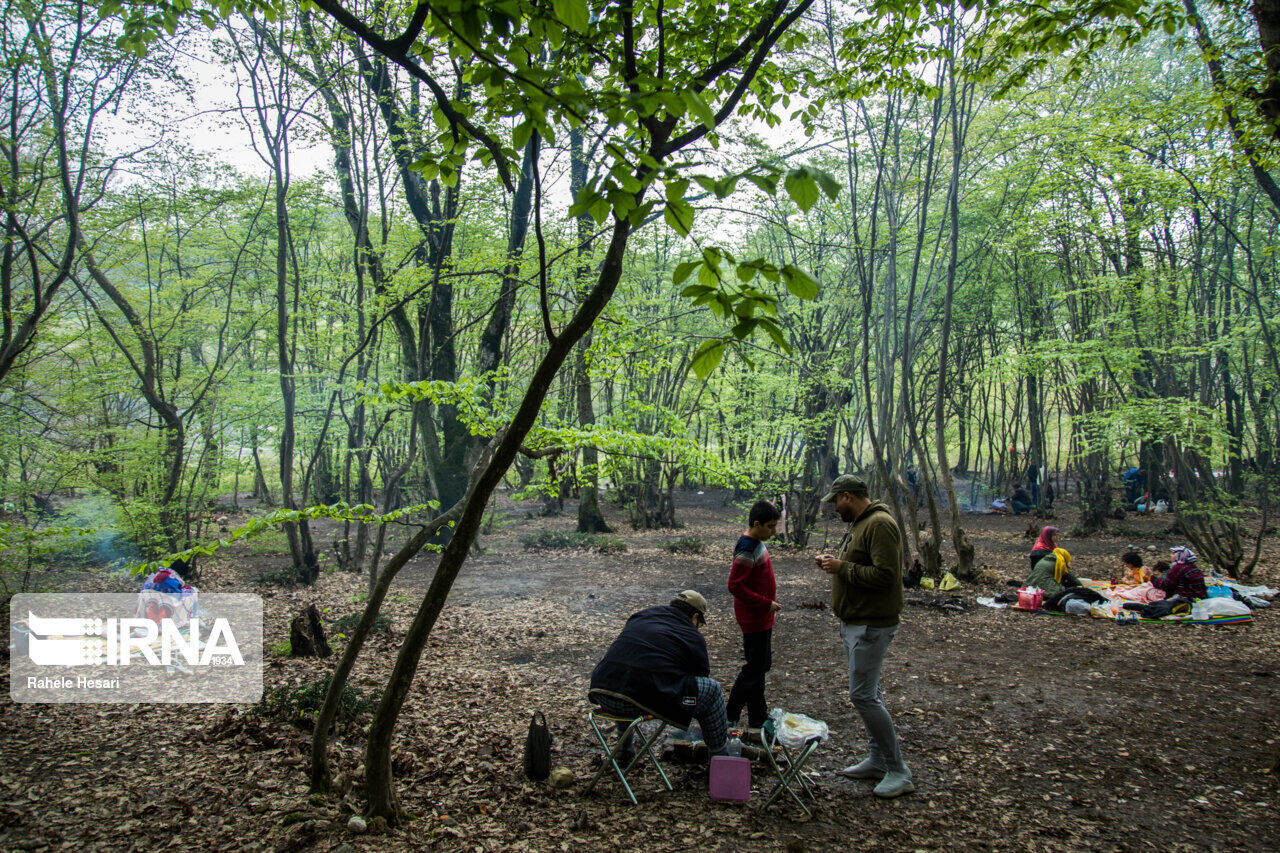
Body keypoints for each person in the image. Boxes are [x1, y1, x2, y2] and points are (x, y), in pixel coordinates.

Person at [816, 474, 913, 799]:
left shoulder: (880, 524)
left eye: (836, 502)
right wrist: (837, 564)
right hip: (857, 621)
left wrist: (842, 568)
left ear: (847, 496)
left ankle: (899, 770)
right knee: (870, 692)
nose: (834, 509)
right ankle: (878, 760)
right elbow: (859, 564)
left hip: (872, 624)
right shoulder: (860, 524)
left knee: (862, 695)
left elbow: (887, 576)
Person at [588, 590, 730, 756]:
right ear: (695, 617)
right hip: (636, 703)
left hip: (603, 693)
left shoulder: (643, 615)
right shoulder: (692, 634)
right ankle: (720, 755)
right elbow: (700, 675)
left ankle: (624, 750)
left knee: (627, 678)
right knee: (711, 690)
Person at [726, 500, 782, 731]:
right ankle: (730, 713)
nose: (773, 531)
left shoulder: (757, 542)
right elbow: (735, 586)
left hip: (763, 616)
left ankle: (758, 716)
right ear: (756, 524)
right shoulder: (747, 548)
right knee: (755, 667)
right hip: (753, 617)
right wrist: (764, 603)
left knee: (761, 665)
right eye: (770, 526)